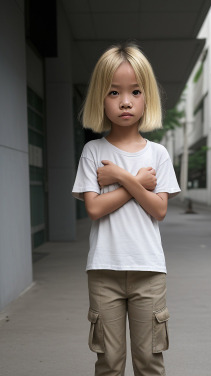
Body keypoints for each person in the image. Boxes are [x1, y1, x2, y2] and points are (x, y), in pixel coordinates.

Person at [72, 43, 181, 376]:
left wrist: (119, 176)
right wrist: (136, 183)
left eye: (135, 91)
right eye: (113, 92)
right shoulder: (93, 151)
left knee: (149, 361)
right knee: (109, 362)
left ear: (146, 97)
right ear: (100, 100)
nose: (125, 101)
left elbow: (159, 210)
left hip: (149, 272)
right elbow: (94, 208)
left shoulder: (158, 154)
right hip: (104, 272)